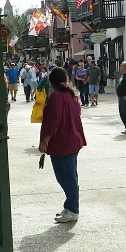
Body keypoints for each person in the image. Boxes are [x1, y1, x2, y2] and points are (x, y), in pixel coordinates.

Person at [39, 67, 86, 223]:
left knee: (66, 178)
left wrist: (44, 141)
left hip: (63, 142)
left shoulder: (57, 98)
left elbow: (52, 123)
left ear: (51, 81)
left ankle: (72, 209)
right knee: (69, 176)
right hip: (72, 140)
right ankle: (70, 206)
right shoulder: (71, 96)